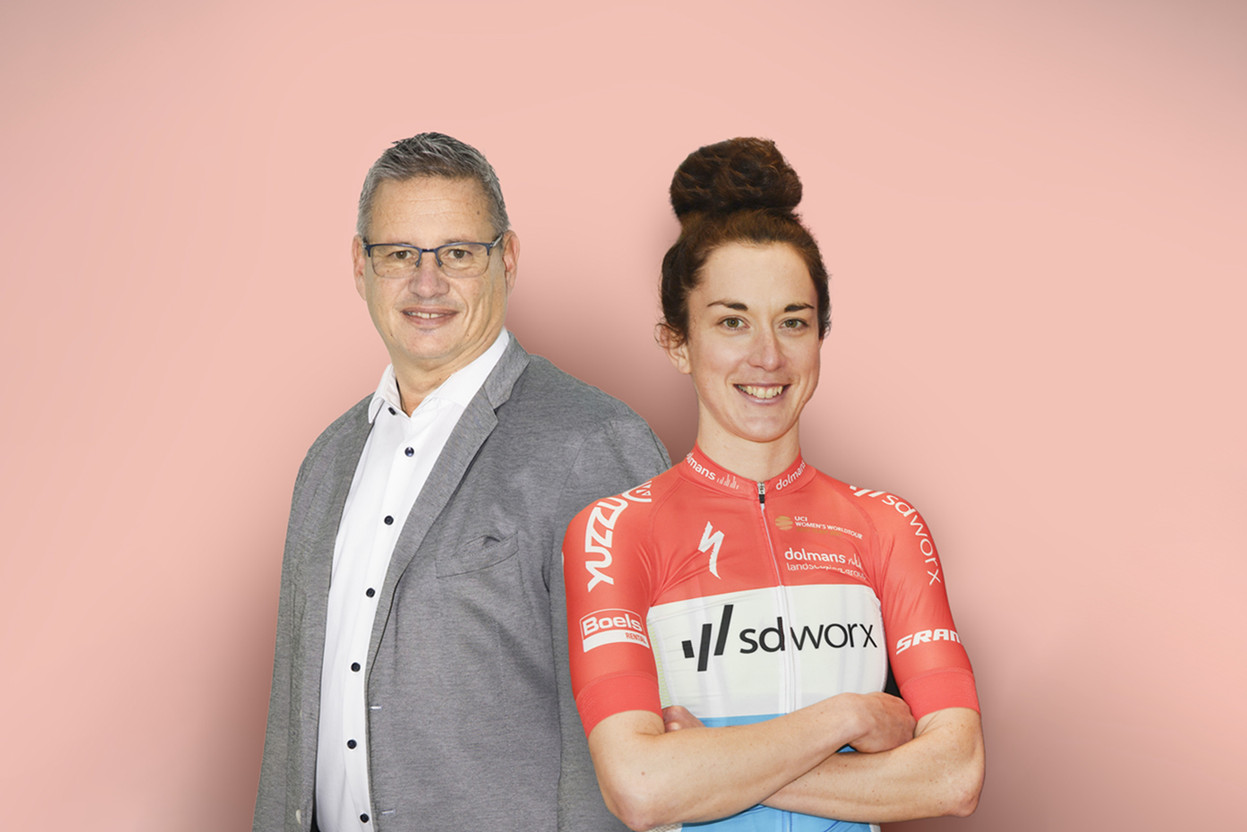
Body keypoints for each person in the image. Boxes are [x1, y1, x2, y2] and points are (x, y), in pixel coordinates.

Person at [562, 137, 984, 831]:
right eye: (731, 322)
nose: (767, 356)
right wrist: (846, 716)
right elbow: (638, 786)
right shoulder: (614, 531)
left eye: (794, 322)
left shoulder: (887, 524)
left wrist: (707, 769)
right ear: (677, 342)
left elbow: (954, 773)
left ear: (821, 336)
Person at [253, 132, 670, 832]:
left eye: (456, 253)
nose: (426, 283)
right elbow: (292, 722)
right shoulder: (325, 464)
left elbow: (634, 738)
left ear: (505, 258)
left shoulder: (594, 444)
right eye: (398, 255)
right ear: (361, 266)